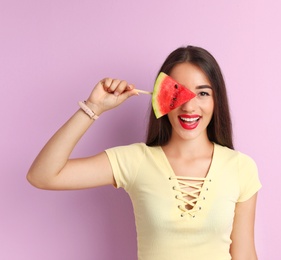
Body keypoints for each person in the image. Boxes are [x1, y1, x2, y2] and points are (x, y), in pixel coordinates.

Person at [27, 45, 262, 260]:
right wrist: (93, 108)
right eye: (177, 93)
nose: (189, 107)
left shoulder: (241, 167)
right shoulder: (135, 160)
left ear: (216, 100)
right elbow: (43, 175)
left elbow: (244, 254)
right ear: (161, 98)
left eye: (202, 93)